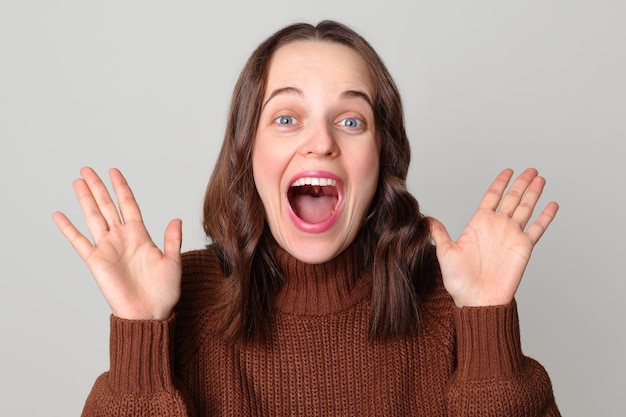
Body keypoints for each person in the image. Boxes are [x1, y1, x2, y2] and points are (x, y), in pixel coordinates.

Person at [53, 20, 561, 416]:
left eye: (350, 120)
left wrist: (487, 320)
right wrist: (141, 334)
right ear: (248, 150)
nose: (321, 142)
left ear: (381, 155)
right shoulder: (179, 303)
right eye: (286, 118)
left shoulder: (450, 300)